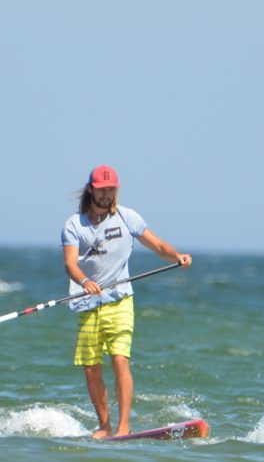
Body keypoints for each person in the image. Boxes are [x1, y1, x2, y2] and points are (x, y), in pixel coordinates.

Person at [61, 165, 192, 438]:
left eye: (112, 189)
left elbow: (158, 246)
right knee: (91, 367)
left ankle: (123, 428)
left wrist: (177, 256)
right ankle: (105, 426)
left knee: (120, 359)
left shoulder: (127, 217)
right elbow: (70, 265)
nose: (108, 194)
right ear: (91, 189)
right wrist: (85, 282)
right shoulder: (74, 225)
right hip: (87, 303)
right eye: (103, 189)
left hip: (120, 301)